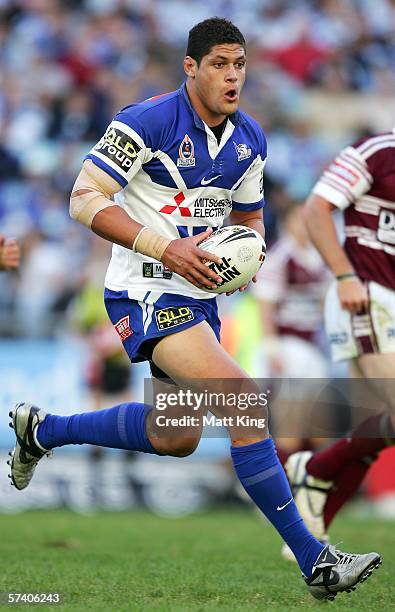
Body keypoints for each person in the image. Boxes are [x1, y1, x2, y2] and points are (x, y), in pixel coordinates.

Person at [8, 18, 380, 601]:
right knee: (243, 401)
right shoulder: (146, 121)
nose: (233, 77)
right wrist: (166, 248)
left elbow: (252, 223)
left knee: (175, 436)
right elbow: (82, 198)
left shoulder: (250, 137)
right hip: (144, 290)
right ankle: (316, 560)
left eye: (240, 65)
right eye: (220, 65)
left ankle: (43, 430)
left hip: (197, 295)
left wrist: (243, 262)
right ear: (192, 68)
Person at [284, 127, 395, 546]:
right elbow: (317, 209)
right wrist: (345, 275)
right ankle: (313, 474)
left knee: (373, 429)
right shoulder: (379, 151)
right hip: (365, 296)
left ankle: (311, 531)